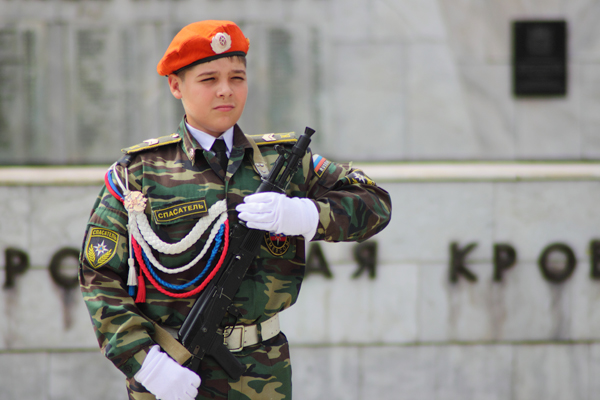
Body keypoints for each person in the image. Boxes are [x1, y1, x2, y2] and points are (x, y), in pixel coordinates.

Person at [79, 20, 391, 400]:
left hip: (262, 371)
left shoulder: (283, 162)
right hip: (171, 368)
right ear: (176, 85)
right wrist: (145, 363)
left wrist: (306, 215)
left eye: (237, 78)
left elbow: (375, 203)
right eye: (208, 79)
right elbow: (99, 278)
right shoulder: (139, 173)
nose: (226, 90)